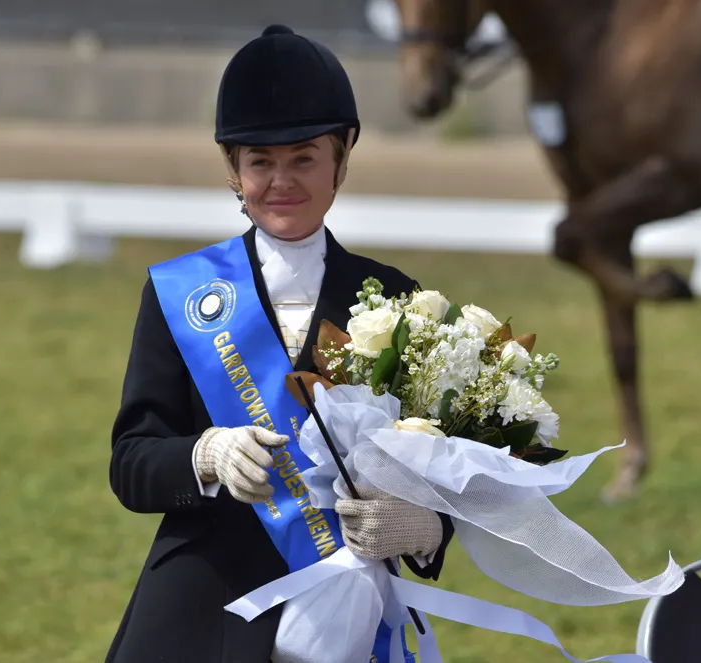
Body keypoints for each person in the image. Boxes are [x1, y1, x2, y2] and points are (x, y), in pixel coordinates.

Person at [104, 24, 455, 663]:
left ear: (341, 159)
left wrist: (425, 528)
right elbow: (131, 464)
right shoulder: (181, 293)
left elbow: (439, 460)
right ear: (233, 170)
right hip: (204, 607)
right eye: (260, 162)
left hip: (348, 609)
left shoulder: (398, 300)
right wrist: (206, 457)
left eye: (304, 159)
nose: (282, 181)